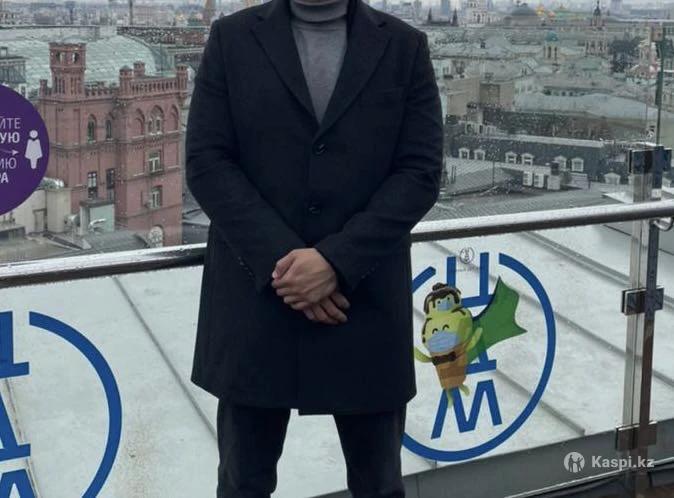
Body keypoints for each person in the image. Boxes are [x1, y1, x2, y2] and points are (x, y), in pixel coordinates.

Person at [185, 0, 443, 494]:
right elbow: (207, 162)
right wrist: (291, 266)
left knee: (378, 483)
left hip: (359, 303)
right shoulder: (231, 39)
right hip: (261, 305)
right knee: (243, 483)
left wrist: (335, 263)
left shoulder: (404, 46)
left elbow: (420, 172)